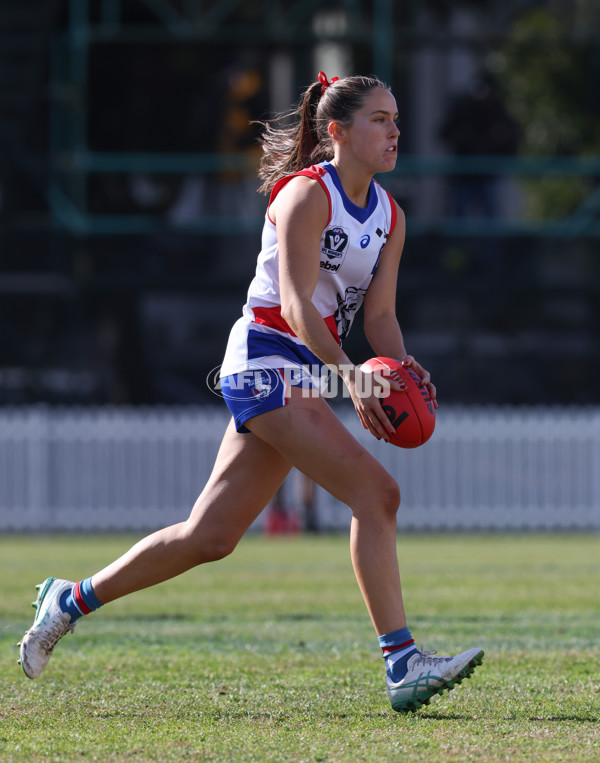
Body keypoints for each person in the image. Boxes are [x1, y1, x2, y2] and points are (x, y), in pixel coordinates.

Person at [19, 72, 484, 713]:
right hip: (265, 359)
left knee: (210, 537)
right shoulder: (304, 195)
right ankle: (402, 663)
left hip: (303, 369)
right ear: (337, 131)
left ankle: (68, 600)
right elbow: (294, 306)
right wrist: (352, 377)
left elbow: (378, 317)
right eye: (379, 119)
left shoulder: (390, 215)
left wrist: (402, 364)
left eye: (396, 118)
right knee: (378, 495)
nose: (395, 130)